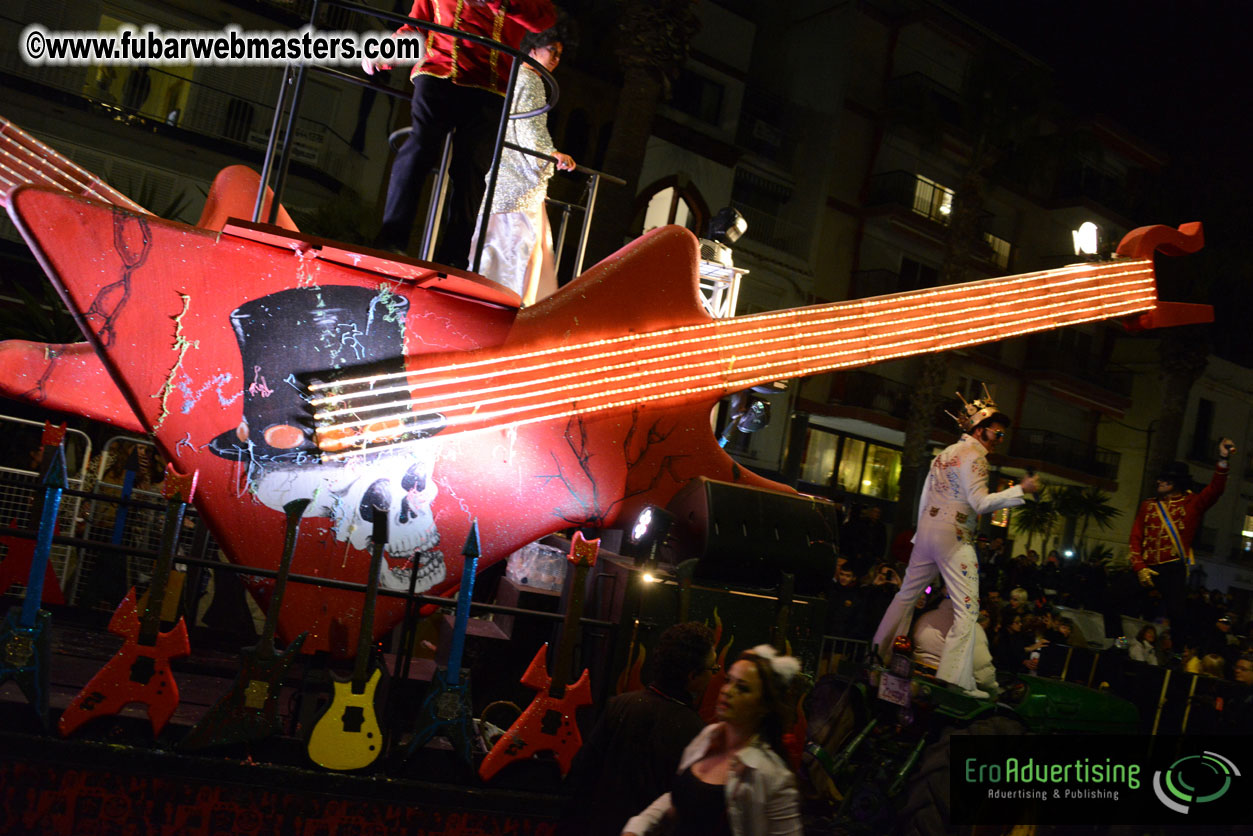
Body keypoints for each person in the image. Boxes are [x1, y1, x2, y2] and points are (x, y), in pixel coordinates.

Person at [871, 389, 1039, 698]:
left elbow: (925, 498)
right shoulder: (975, 458)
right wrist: (1021, 490)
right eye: (996, 432)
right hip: (955, 534)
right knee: (967, 609)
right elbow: (981, 502)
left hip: (928, 532)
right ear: (978, 430)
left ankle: (877, 655)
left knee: (906, 596)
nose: (1000, 437)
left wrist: (920, 535)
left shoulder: (944, 454)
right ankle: (955, 680)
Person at [364, 0, 557, 265]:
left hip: (489, 83)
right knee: (420, 146)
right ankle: (391, 240)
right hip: (439, 72)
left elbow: (543, 18)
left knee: (471, 169)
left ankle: (453, 259)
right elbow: (417, 24)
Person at [623, 645, 803, 836]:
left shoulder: (772, 775)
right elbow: (679, 797)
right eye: (728, 681)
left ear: (765, 705)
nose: (727, 691)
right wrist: (637, 827)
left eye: (742, 688)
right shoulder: (707, 737)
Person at [564, 622, 716, 836]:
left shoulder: (619, 705)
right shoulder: (695, 731)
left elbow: (581, 770)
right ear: (692, 676)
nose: (714, 676)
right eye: (714, 669)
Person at [469, 21, 575, 303]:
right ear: (533, 48)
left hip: (504, 175)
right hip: (518, 183)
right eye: (551, 50)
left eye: (559, 54)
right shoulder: (531, 80)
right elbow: (531, 130)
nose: (555, 58)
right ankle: (511, 310)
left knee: (496, 248)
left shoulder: (513, 76)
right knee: (522, 252)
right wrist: (550, 155)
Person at [1129, 439, 1235, 635]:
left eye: (1165, 479)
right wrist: (1139, 567)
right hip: (1147, 567)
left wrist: (1222, 459)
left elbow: (1216, 489)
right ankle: (1119, 641)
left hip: (1172, 568)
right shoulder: (1148, 505)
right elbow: (1135, 537)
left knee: (1178, 614)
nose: (1159, 482)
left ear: (1175, 483)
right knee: (1112, 597)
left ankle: (1177, 655)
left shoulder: (1192, 503)